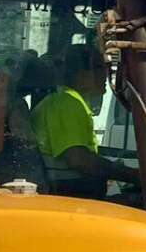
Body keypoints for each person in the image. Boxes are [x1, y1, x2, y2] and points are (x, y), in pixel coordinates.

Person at [33, 67, 139, 199]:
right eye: (99, 68)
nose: (105, 75)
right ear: (82, 74)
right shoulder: (67, 103)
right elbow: (78, 160)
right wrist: (131, 175)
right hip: (71, 197)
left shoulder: (64, 100)